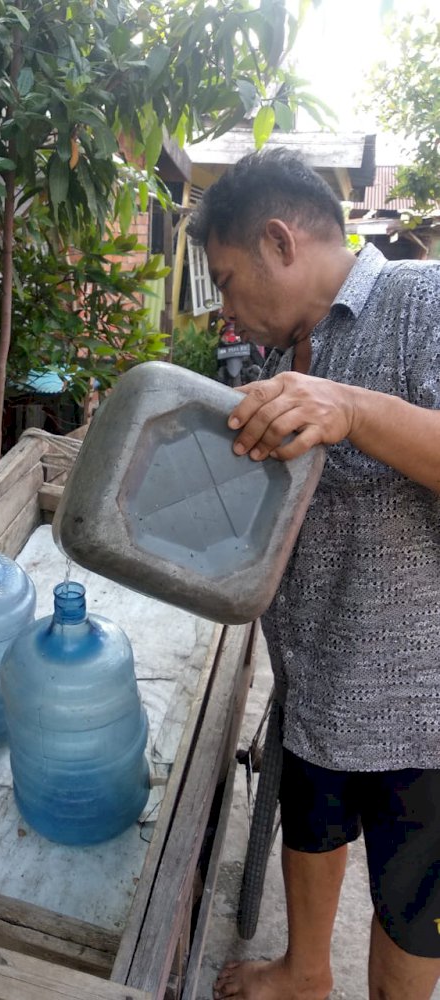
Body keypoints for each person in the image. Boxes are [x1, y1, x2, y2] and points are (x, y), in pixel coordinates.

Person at [188, 147, 440, 1000]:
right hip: (314, 672)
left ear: (278, 241)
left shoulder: (422, 301)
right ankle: (304, 973)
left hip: (420, 707)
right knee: (312, 820)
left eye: (225, 280)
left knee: (409, 905)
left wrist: (353, 409)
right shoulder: (276, 361)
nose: (224, 308)